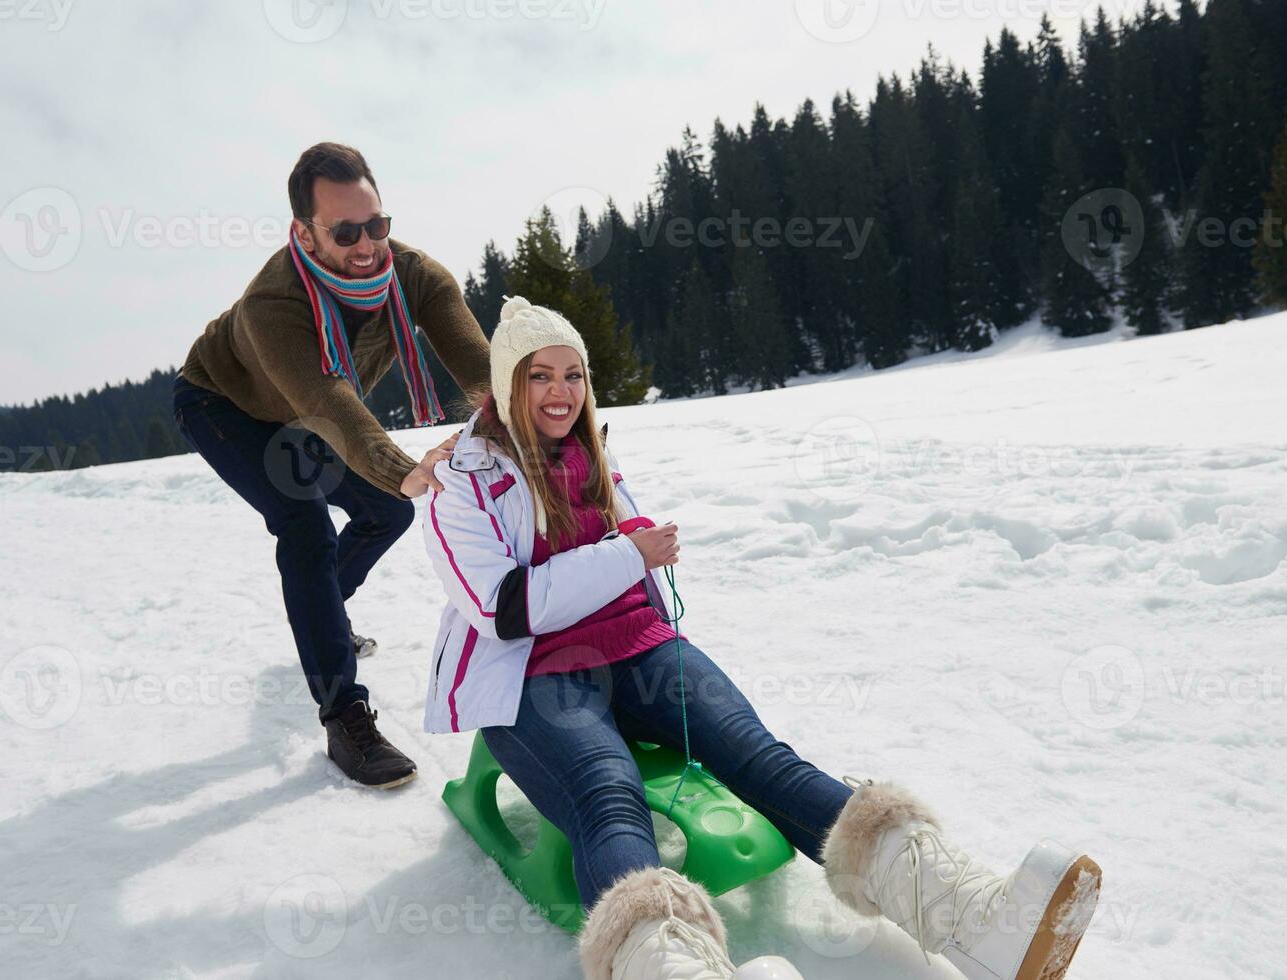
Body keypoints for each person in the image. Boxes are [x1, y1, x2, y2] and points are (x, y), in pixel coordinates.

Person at [419, 297, 1103, 980]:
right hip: (531, 675)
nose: (561, 393)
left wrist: (632, 546)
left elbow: (622, 543)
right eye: (540, 376)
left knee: (760, 757)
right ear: (509, 387)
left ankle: (970, 920)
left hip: (639, 646)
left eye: (574, 375)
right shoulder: (461, 480)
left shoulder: (593, 455)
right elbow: (503, 607)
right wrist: (628, 555)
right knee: (608, 793)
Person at [173, 142, 488, 788]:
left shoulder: (409, 274)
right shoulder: (273, 303)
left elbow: (479, 366)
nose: (368, 245)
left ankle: (324, 615)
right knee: (305, 523)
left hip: (301, 415)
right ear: (304, 233)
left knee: (386, 510)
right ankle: (344, 716)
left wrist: (524, 421)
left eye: (377, 225)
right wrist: (406, 465)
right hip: (224, 406)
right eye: (346, 232)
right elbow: (326, 403)